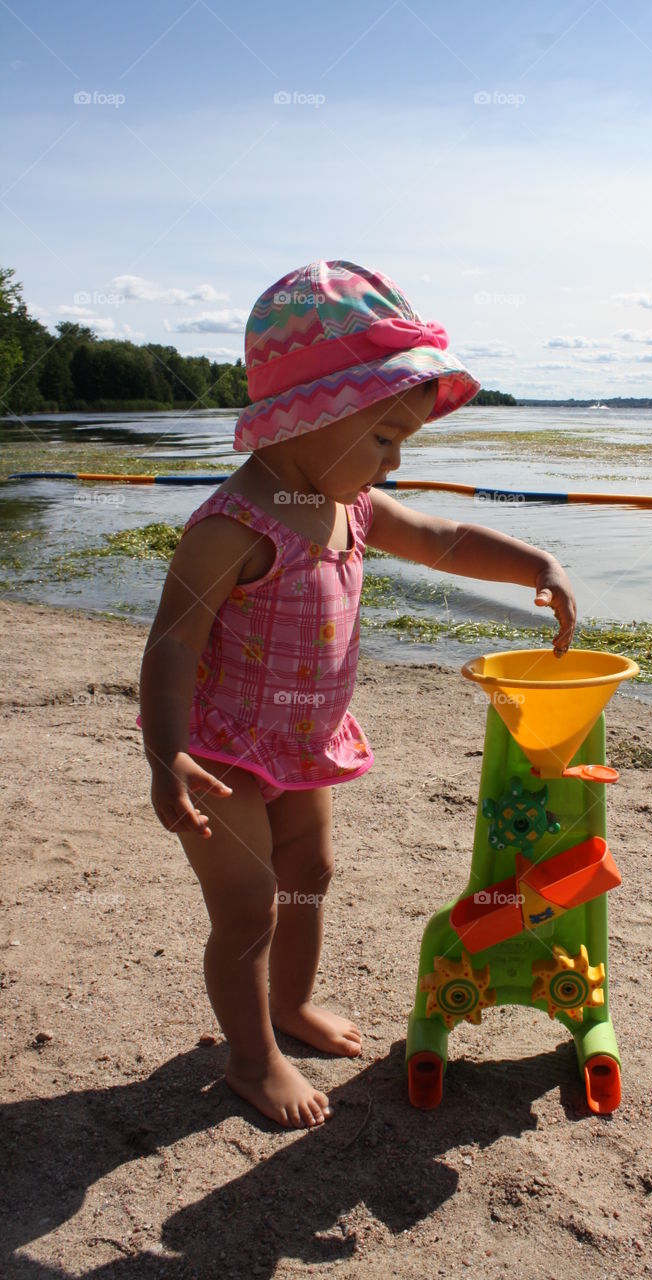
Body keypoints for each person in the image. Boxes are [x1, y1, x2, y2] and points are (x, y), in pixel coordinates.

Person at [139, 260, 576, 1129]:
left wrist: (535, 564)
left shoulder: (355, 507)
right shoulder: (233, 526)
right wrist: (168, 755)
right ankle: (249, 1059)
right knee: (247, 910)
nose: (395, 458)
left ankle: (289, 1006)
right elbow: (172, 642)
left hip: (305, 743)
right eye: (383, 438)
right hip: (223, 753)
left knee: (309, 874)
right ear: (311, 417)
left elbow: (446, 540)